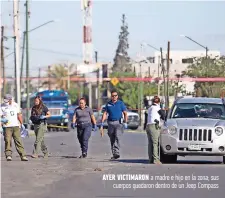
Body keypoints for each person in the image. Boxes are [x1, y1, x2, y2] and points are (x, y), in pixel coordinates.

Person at [100, 90, 128, 160]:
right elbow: (105, 113)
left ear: (117, 96)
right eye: (113, 96)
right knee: (112, 138)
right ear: (111, 97)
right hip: (110, 123)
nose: (114, 97)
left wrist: (125, 121)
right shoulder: (108, 104)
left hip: (119, 123)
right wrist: (102, 121)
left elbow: (125, 113)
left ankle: (116, 152)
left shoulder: (120, 103)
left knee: (117, 137)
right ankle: (114, 153)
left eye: (115, 95)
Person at [0, 94, 28, 161]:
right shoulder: (2, 106)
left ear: (10, 100)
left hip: (15, 126)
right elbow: (0, 117)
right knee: (8, 141)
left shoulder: (15, 105)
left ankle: (23, 155)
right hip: (7, 127)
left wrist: (22, 124)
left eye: (7, 101)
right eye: (5, 100)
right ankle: (8, 155)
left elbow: (19, 115)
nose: (5, 102)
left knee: (18, 141)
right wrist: (0, 125)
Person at [146, 96, 166, 164]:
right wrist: (163, 108)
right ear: (159, 102)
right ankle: (156, 159)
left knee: (150, 143)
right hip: (154, 126)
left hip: (148, 125)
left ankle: (150, 159)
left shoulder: (150, 108)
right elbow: (164, 116)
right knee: (155, 143)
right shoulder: (157, 108)